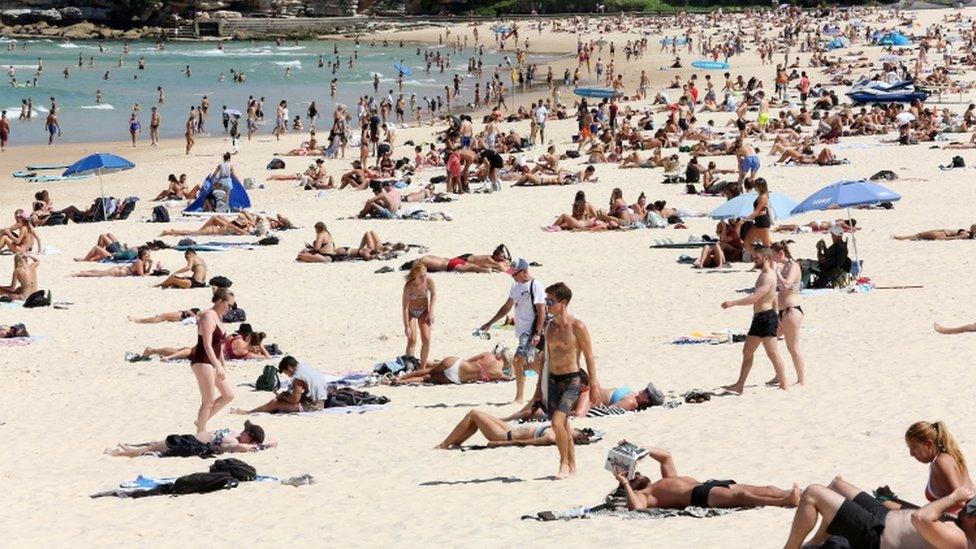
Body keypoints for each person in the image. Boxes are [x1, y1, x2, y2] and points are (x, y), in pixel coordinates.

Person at [611, 444, 799, 510]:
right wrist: (625, 482)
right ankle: (784, 501)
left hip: (709, 484)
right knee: (741, 498)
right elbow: (635, 506)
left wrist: (639, 449)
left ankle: (792, 493)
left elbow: (666, 457)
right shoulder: (645, 496)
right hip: (699, 496)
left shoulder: (664, 480)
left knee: (763, 488)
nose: (640, 474)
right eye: (636, 477)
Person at [540, 282, 599, 479]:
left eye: (550, 301)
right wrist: (538, 389)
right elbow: (545, 358)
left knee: (557, 423)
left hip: (572, 380)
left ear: (563, 302)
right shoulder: (549, 326)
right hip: (552, 379)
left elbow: (590, 356)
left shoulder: (577, 326)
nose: (546, 304)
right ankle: (572, 465)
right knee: (564, 425)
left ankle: (563, 463)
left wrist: (593, 385)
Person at [784, 476, 933, 548]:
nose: (912, 453)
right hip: (887, 515)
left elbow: (921, 518)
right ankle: (818, 540)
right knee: (837, 485)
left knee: (812, 493)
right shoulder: (953, 519)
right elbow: (920, 513)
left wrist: (954, 497)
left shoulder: (954, 540)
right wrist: (889, 502)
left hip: (878, 533)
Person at [720, 248, 788, 393]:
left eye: (756, 258)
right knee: (747, 351)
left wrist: (733, 302)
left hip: (766, 318)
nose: (754, 260)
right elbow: (774, 297)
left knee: (773, 353)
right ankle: (739, 385)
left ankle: (784, 384)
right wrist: (777, 316)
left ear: (765, 257)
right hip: (760, 318)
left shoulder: (768, 276)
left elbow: (755, 298)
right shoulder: (764, 274)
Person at [479, 258, 546, 403]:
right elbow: (507, 306)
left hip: (531, 329)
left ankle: (520, 397)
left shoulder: (536, 285)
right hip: (521, 331)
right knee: (530, 364)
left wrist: (537, 333)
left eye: (514, 273)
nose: (512, 276)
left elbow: (542, 311)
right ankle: (545, 385)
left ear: (524, 272)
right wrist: (491, 322)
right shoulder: (515, 286)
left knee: (517, 360)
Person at [189, 288, 235, 434]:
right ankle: (200, 434)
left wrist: (223, 365)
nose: (230, 308)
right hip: (203, 361)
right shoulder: (208, 316)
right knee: (208, 401)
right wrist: (218, 365)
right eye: (229, 305)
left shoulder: (218, 317)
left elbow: (219, 345)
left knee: (228, 394)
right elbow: (207, 346)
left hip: (213, 362)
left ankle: (201, 420)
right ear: (220, 301)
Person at [904, 421, 974, 514]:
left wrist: (930, 510)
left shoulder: (941, 462)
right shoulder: (945, 457)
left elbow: (961, 500)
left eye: (914, 448)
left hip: (965, 520)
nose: (911, 454)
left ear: (929, 444)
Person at [436, 409, 594, 449]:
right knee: (476, 417)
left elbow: (524, 443)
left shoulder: (551, 438)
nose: (572, 429)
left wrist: (499, 444)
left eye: (574, 432)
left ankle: (445, 444)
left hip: (504, 436)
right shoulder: (560, 430)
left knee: (474, 414)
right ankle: (455, 443)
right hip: (510, 429)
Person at [104, 421, 271, 457]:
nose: (243, 431)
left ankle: (117, 453)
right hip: (191, 439)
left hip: (192, 444)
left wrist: (256, 446)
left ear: (250, 438)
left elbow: (242, 448)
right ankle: (127, 449)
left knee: (152, 450)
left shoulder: (235, 443)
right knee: (156, 445)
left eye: (246, 432)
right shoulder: (235, 434)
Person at [233, 356, 332, 413]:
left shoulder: (298, 377)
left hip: (316, 406)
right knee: (280, 399)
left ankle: (249, 412)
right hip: (322, 398)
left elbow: (295, 400)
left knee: (275, 402)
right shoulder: (304, 366)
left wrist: (282, 396)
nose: (288, 376)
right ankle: (253, 411)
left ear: (289, 368)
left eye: (286, 373)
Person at [771, 241, 805, 386]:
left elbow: (786, 285)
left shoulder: (793, 266)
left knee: (793, 347)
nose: (772, 259)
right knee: (770, 343)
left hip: (792, 311)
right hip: (781, 311)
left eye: (774, 256)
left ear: (781, 253)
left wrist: (777, 272)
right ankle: (779, 375)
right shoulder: (781, 266)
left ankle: (801, 379)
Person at [393, 348, 513, 385]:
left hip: (457, 363)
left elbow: (468, 360)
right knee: (427, 378)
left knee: (427, 370)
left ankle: (401, 378)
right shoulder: (498, 373)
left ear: (501, 355)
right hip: (457, 378)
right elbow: (508, 378)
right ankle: (403, 382)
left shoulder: (488, 355)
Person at [402, 262, 436, 368]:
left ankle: (423, 367)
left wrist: (431, 311)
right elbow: (405, 307)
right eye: (421, 276)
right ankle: (408, 364)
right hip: (411, 312)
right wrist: (406, 326)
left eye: (425, 275)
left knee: (426, 338)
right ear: (415, 275)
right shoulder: (409, 286)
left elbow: (434, 294)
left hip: (423, 311)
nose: (423, 278)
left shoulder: (429, 281)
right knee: (412, 339)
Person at [73, 247, 152, 277]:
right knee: (98, 274)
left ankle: (83, 272)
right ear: (143, 256)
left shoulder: (143, 263)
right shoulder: (139, 262)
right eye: (147, 255)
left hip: (119, 270)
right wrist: (151, 273)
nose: (149, 256)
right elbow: (141, 275)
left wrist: (150, 266)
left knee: (99, 272)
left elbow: (143, 272)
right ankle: (79, 274)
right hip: (117, 272)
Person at [892, 224, 976, 241]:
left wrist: (942, 239)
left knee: (919, 235)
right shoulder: (968, 232)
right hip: (941, 232)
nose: (971, 225)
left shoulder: (966, 234)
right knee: (919, 235)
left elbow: (954, 238)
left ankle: (899, 238)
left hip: (942, 234)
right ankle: (899, 237)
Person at [129, 308, 201, 324]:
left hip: (183, 316)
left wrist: (193, 315)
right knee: (162, 316)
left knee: (162, 316)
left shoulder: (201, 314)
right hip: (183, 315)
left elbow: (190, 312)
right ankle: (141, 320)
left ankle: (140, 321)